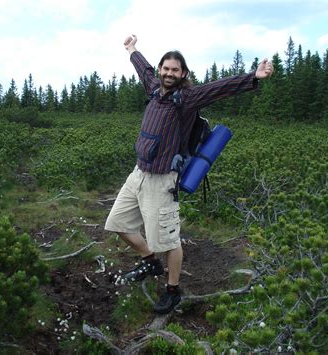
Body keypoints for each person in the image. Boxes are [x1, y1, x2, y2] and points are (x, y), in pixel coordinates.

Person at [105, 34, 273, 314]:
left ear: (183, 74)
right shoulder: (154, 88)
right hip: (138, 174)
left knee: (169, 241)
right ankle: (149, 260)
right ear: (161, 70)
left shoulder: (188, 98)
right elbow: (143, 68)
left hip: (163, 181)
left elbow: (219, 88)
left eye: (175, 70)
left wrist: (252, 76)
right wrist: (132, 49)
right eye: (166, 69)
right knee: (117, 223)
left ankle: (173, 291)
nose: (169, 73)